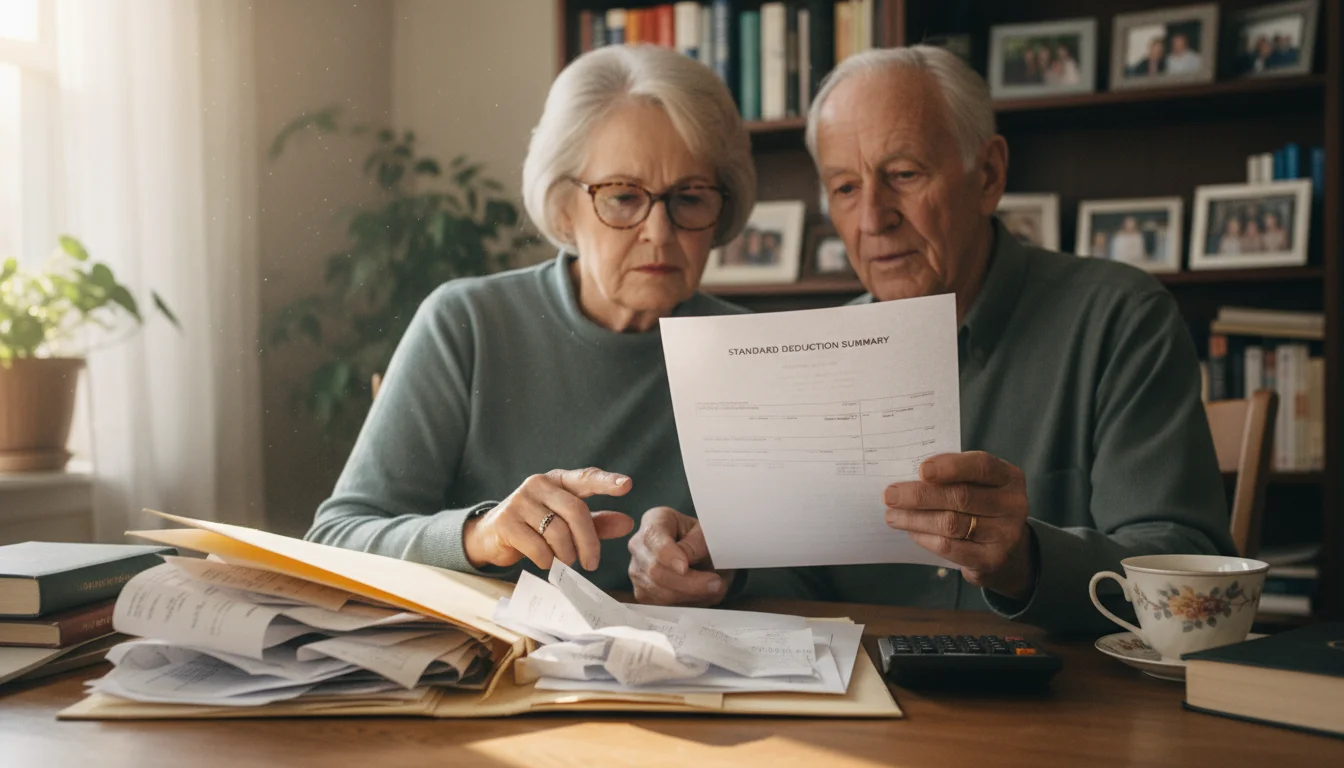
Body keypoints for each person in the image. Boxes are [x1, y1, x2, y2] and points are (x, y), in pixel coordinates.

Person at [627, 46, 1234, 633]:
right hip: (863, 703)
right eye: (845, 188)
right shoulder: (821, 354)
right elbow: (803, 583)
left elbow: (1185, 565)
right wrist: (713, 563)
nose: (872, 219)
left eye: (903, 175)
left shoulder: (1119, 317)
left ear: (989, 175)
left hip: (1061, 710)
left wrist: (1026, 559)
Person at [305, 44, 757, 592]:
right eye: (620, 197)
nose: (659, 233)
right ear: (564, 206)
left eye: (689, 197)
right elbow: (335, 540)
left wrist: (717, 577)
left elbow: (808, 577)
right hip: (494, 669)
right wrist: (482, 535)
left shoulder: (751, 349)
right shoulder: (466, 323)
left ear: (722, 208)